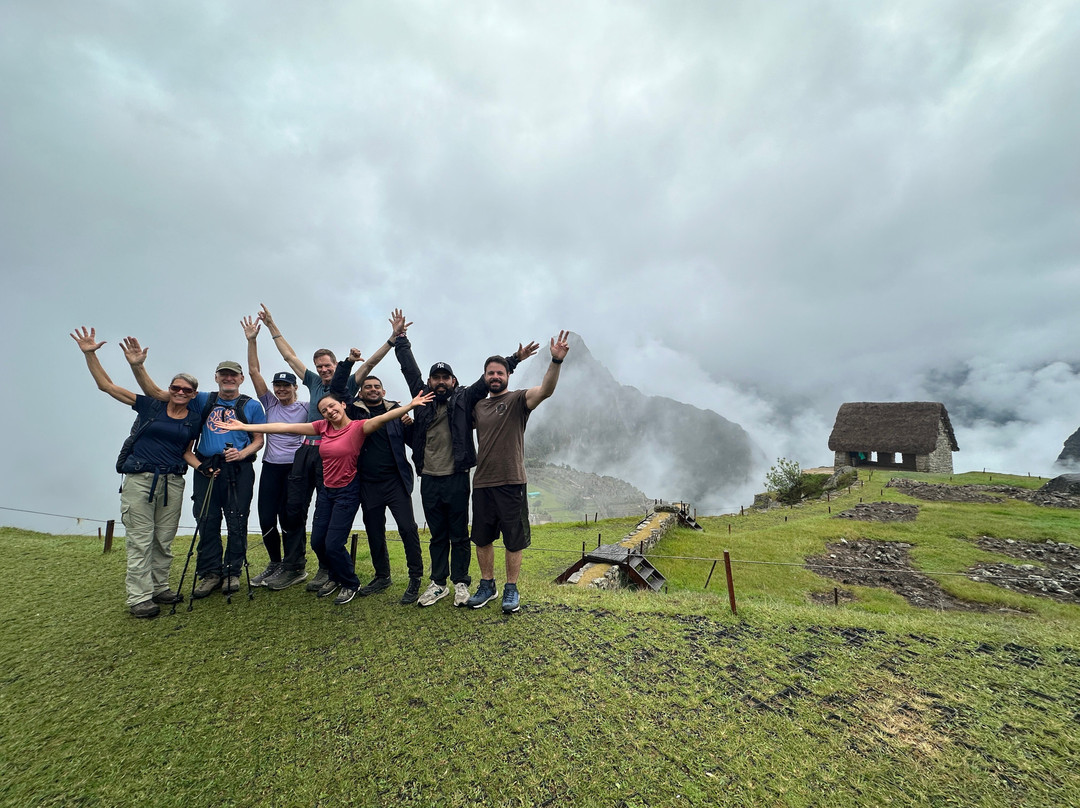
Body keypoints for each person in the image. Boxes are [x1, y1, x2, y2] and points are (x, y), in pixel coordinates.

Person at [217, 389, 435, 604]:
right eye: (323, 410)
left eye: (332, 406)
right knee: (317, 542)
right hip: (327, 491)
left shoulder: (358, 428)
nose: (329, 411)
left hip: (348, 491)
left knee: (333, 544)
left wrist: (409, 406)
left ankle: (350, 582)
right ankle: (336, 575)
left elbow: (384, 417)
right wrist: (245, 426)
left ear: (343, 405)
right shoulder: (322, 427)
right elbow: (285, 427)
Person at [257, 304, 406, 593]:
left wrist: (392, 338)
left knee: (330, 504)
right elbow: (289, 356)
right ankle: (295, 565)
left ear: (336, 365)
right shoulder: (311, 381)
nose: (324, 370)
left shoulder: (349, 382)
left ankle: (328, 568)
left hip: (335, 451)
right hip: (307, 450)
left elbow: (370, 364)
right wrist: (272, 325)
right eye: (320, 366)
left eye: (328, 365)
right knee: (295, 507)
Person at [393, 331, 538, 607]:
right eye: (435, 378)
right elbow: (409, 370)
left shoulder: (463, 399)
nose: (440, 382)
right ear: (430, 382)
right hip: (430, 479)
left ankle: (461, 582)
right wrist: (401, 339)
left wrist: (515, 359)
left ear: (453, 381)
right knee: (437, 535)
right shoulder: (421, 399)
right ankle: (438, 583)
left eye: (445, 378)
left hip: (457, 477)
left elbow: (489, 379)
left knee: (459, 534)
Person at [71, 326, 202, 618]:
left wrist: (204, 468)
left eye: (186, 390)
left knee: (164, 539)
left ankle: (160, 587)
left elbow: (186, 451)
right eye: (175, 388)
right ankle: (139, 597)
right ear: (169, 390)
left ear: (194, 395)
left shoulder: (194, 419)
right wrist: (90, 355)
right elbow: (107, 386)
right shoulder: (150, 407)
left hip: (173, 481)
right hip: (140, 479)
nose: (180, 392)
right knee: (141, 539)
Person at [124, 339, 267, 599]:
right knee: (207, 520)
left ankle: (232, 571)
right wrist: (138, 368)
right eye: (223, 374)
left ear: (241, 378)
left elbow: (259, 439)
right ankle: (210, 573)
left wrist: (242, 453)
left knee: (237, 519)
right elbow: (157, 393)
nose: (228, 378)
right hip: (206, 468)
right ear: (216, 377)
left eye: (232, 375)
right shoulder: (202, 400)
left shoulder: (252, 405)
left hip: (239, 468)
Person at [467, 331, 571, 613]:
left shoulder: (517, 400)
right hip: (483, 483)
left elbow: (546, 390)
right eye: (490, 373)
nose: (495, 376)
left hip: (512, 481)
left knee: (514, 539)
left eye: (500, 372)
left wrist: (555, 361)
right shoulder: (476, 406)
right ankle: (487, 585)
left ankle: (511, 589)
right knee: (482, 538)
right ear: (485, 377)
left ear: (508, 376)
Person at [331, 347, 425, 604]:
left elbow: (416, 443)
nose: (372, 390)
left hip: (395, 481)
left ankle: (415, 577)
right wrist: (347, 363)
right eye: (367, 387)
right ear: (361, 392)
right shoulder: (354, 412)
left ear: (383, 391)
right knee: (374, 531)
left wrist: (412, 425)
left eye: (377, 387)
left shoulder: (397, 413)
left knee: (408, 529)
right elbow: (337, 390)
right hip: (367, 483)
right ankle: (382, 575)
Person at [242, 315, 310, 589]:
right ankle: (275, 562)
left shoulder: (306, 407)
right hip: (271, 466)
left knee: (291, 517)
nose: (281, 389)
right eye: (278, 386)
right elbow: (254, 372)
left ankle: (296, 567)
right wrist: (252, 340)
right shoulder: (269, 403)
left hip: (296, 469)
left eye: (286, 386)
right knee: (267, 517)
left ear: (295, 387)